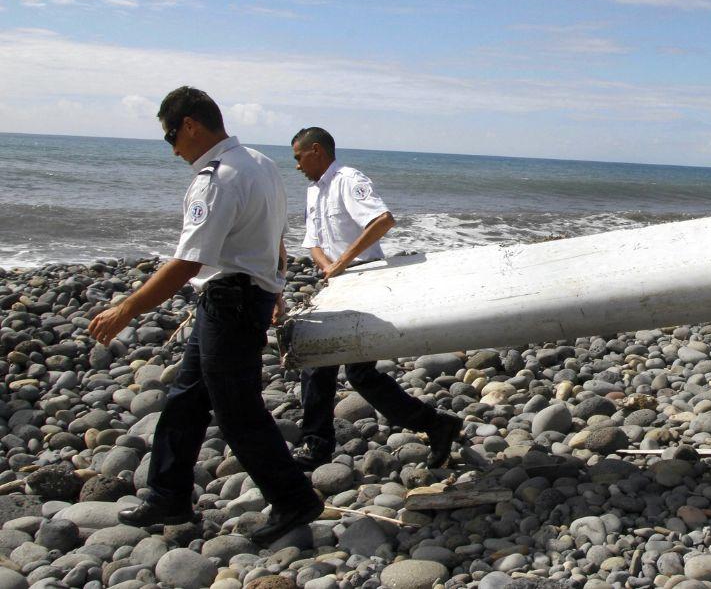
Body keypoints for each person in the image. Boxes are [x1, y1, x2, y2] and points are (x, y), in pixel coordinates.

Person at [88, 86, 322, 546]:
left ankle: (294, 497)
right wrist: (274, 287)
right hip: (240, 296)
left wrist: (126, 309)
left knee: (237, 411)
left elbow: (188, 261)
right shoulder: (261, 163)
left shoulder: (216, 178)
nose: (173, 149)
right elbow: (275, 234)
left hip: (229, 302)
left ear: (191, 125)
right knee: (186, 399)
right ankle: (168, 495)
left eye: (171, 136)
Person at [291, 126, 463, 469]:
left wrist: (342, 263)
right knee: (319, 366)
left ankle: (435, 424)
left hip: (366, 281)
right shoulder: (314, 191)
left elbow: (383, 220)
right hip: (336, 285)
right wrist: (328, 268)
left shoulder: (347, 179)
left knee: (358, 373)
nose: (296, 165)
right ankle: (317, 445)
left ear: (316, 151)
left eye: (298, 157)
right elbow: (313, 241)